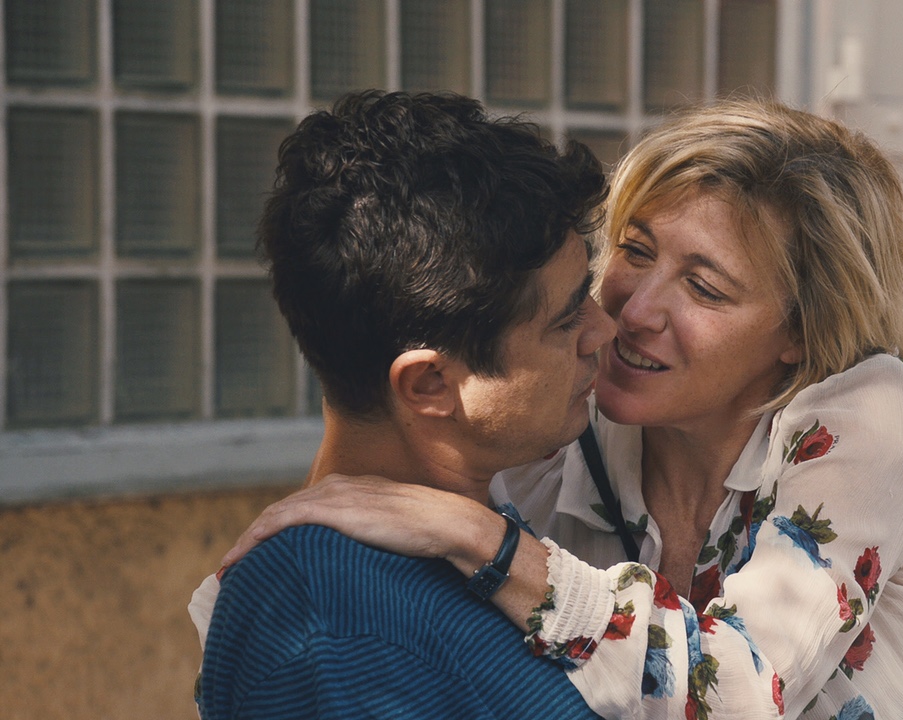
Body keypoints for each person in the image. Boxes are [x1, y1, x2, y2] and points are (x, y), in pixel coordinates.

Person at [209, 98, 903, 720]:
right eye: (634, 249)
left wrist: (480, 536)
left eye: (706, 288)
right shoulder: (564, 418)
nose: (630, 313)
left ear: (800, 333)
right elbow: (373, 485)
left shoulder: (866, 420)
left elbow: (742, 687)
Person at [190, 90, 615, 719]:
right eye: (564, 320)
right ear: (429, 386)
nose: (604, 330)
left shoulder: (495, 524)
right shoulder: (330, 622)